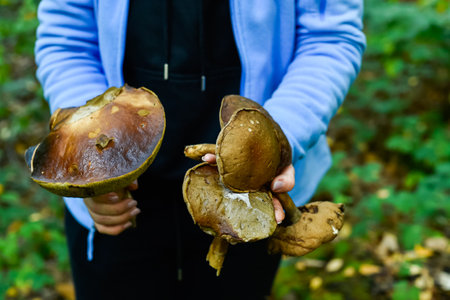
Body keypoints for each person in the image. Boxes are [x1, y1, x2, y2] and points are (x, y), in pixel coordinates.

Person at [34, 0, 365, 299]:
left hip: (254, 196)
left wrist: (278, 138)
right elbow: (68, 39)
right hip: (115, 205)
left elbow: (329, 38)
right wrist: (91, 160)